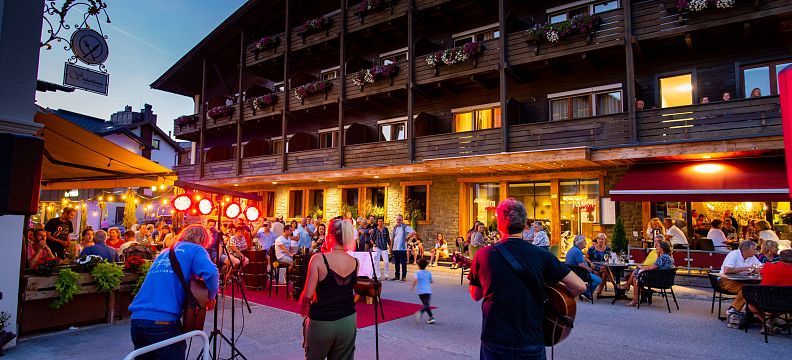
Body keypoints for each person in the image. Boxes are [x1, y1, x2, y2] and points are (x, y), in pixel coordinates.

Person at [468, 198, 585, 359]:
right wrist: (556, 295)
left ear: (499, 225)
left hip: (495, 338)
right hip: (532, 339)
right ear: (525, 225)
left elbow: (475, 295)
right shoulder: (542, 255)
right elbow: (580, 286)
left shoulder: (483, 255)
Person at [129, 224, 218, 360]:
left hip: (137, 318)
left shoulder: (165, 252)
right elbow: (211, 273)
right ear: (203, 240)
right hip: (163, 320)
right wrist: (211, 297)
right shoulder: (196, 250)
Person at [299, 218, 358, 360]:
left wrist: (303, 308)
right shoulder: (355, 262)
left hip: (322, 321)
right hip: (348, 320)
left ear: (329, 236)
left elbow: (308, 294)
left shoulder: (319, 259)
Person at [620, 240, 674, 306]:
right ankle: (633, 295)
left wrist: (641, 268)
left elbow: (652, 267)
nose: (656, 248)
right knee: (636, 275)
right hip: (665, 279)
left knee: (636, 277)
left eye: (658, 246)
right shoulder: (667, 257)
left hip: (659, 280)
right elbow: (656, 266)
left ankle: (631, 293)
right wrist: (657, 254)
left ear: (662, 248)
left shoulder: (663, 257)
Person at [719, 240, 762, 318]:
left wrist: (757, 269)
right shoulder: (734, 254)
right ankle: (734, 309)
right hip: (727, 280)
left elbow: (761, 267)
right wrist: (746, 268)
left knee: (752, 289)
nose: (756, 251)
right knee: (746, 289)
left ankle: (752, 312)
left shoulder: (752, 257)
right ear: (746, 250)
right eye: (754, 249)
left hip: (744, 280)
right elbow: (727, 270)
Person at [566, 235, 602, 302]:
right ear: (579, 243)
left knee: (598, 275)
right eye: (584, 241)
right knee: (598, 280)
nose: (586, 242)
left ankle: (584, 290)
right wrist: (593, 271)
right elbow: (582, 265)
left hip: (575, 272)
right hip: (580, 273)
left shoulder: (573, 249)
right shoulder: (577, 251)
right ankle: (586, 293)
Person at [390, 214, 416, 282]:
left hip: (402, 248)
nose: (398, 221)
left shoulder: (405, 227)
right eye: (397, 219)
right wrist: (391, 247)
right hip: (395, 247)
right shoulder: (395, 227)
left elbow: (413, 232)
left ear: (402, 220)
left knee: (403, 263)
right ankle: (397, 276)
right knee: (396, 262)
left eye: (400, 219)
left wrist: (408, 237)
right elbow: (393, 237)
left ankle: (404, 276)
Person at [411, 258, 435, 324]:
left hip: (420, 291)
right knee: (426, 305)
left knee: (425, 304)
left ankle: (430, 316)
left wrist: (412, 287)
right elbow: (431, 281)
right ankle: (425, 314)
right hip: (428, 291)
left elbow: (416, 280)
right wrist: (430, 281)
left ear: (419, 266)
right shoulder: (429, 273)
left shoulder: (417, 272)